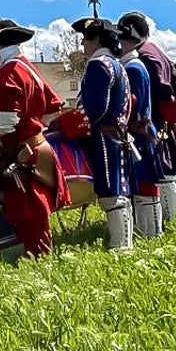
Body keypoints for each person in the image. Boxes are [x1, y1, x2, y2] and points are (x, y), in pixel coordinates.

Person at [0, 19, 70, 258]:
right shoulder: (29, 69)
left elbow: (9, 119)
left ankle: (35, 260)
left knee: (29, 211)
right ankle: (37, 256)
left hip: (22, 152)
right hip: (38, 146)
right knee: (35, 210)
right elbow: (52, 110)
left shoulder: (7, 72)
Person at [117, 12, 176, 222]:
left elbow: (162, 87)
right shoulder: (156, 50)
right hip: (163, 120)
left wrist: (172, 118)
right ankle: (167, 220)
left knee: (162, 173)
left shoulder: (144, 55)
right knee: (165, 173)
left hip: (157, 122)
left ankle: (168, 221)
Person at [72, 18, 134, 250]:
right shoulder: (116, 64)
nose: (83, 45)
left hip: (103, 137)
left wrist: (74, 125)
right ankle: (124, 244)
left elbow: (95, 108)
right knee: (119, 193)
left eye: (86, 39)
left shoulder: (99, 64)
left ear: (96, 40)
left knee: (111, 195)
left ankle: (121, 248)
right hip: (116, 135)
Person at [116, 25, 164, 238]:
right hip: (141, 131)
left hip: (138, 132)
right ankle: (148, 231)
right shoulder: (134, 65)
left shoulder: (133, 68)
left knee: (145, 186)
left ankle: (150, 233)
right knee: (142, 186)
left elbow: (133, 106)